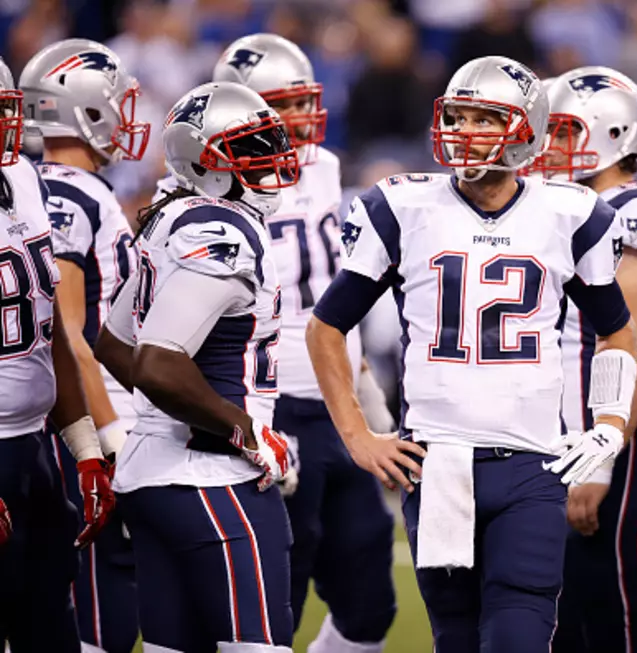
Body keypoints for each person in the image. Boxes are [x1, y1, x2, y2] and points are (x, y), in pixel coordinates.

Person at [306, 55, 637, 653]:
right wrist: (356, 434)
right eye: (457, 115)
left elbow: (617, 330)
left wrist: (610, 424)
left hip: (534, 463)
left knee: (518, 636)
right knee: (455, 639)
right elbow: (327, 326)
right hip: (437, 464)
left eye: (484, 118)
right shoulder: (402, 208)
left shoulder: (572, 215)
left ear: (527, 128)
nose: (465, 131)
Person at [206, 34, 398, 651]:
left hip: (335, 400)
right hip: (269, 402)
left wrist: (370, 398)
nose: (297, 119)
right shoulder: (213, 187)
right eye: (280, 106)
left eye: (301, 103)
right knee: (271, 608)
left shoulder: (323, 166)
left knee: (369, 604)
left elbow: (338, 297)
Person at [93, 81, 295, 652]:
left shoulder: (175, 216)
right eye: (249, 149)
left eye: (267, 142)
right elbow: (156, 364)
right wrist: (244, 428)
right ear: (206, 162)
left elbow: (114, 344)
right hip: (211, 482)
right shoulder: (223, 229)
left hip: (150, 479)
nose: (269, 159)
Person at [528, 65, 637, 653]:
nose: (546, 144)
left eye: (564, 131)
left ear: (616, 133)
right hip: (561, 438)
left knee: (613, 625)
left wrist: (598, 461)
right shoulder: (549, 206)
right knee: (560, 624)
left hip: (616, 447)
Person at [19, 38, 150, 653]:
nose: (125, 117)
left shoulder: (28, 184)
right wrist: (107, 436)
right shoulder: (70, 192)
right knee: (94, 618)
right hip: (74, 424)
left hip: (48, 418)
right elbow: (64, 329)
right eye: (115, 103)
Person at [0, 55, 115, 651]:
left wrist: (87, 450)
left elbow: (50, 330)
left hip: (36, 449)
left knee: (51, 628)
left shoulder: (21, 176)